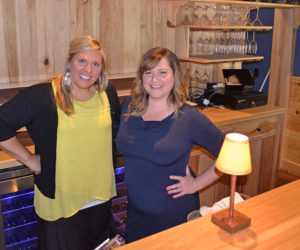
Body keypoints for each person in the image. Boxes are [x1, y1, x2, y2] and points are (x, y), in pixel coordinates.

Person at [0, 35, 120, 249]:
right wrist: (29, 159)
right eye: (82, 61)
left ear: (102, 68)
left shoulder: (107, 94)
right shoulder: (44, 96)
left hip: (99, 200)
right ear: (69, 61)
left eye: (95, 64)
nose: (88, 70)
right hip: (60, 206)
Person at [116, 47, 225, 243]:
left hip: (173, 214)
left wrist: (196, 184)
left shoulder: (188, 117)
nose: (154, 79)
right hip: (135, 214)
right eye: (148, 72)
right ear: (141, 77)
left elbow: (228, 154)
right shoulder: (129, 106)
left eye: (162, 72)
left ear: (175, 76)